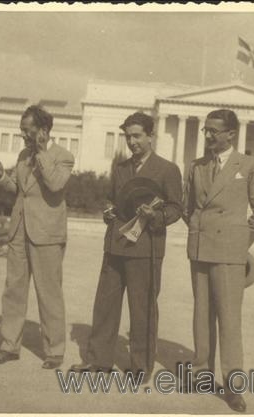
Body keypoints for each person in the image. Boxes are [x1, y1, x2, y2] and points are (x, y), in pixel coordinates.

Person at [70, 112, 182, 380]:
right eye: (128, 136)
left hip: (146, 248)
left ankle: (141, 367)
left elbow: (176, 208)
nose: (132, 142)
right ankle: (98, 361)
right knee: (105, 304)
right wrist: (108, 210)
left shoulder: (168, 169)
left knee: (142, 307)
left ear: (150, 136)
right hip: (116, 245)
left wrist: (156, 216)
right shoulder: (120, 168)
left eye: (137, 136)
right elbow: (111, 200)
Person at [182, 109, 254, 412]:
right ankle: (200, 374)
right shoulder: (196, 166)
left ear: (231, 134)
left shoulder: (250, 165)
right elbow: (188, 208)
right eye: (206, 130)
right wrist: (200, 232)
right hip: (200, 250)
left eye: (214, 131)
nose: (207, 136)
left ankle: (233, 386)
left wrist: (237, 244)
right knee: (201, 315)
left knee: (229, 320)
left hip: (229, 254)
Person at [0, 105, 75, 369]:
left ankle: (54, 350)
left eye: (27, 130)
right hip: (19, 232)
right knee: (13, 290)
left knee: (49, 293)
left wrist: (41, 152)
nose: (23, 135)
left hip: (47, 235)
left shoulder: (63, 156)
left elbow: (55, 184)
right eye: (22, 130)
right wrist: (1, 176)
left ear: (43, 131)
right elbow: (18, 188)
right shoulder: (23, 155)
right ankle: (9, 346)